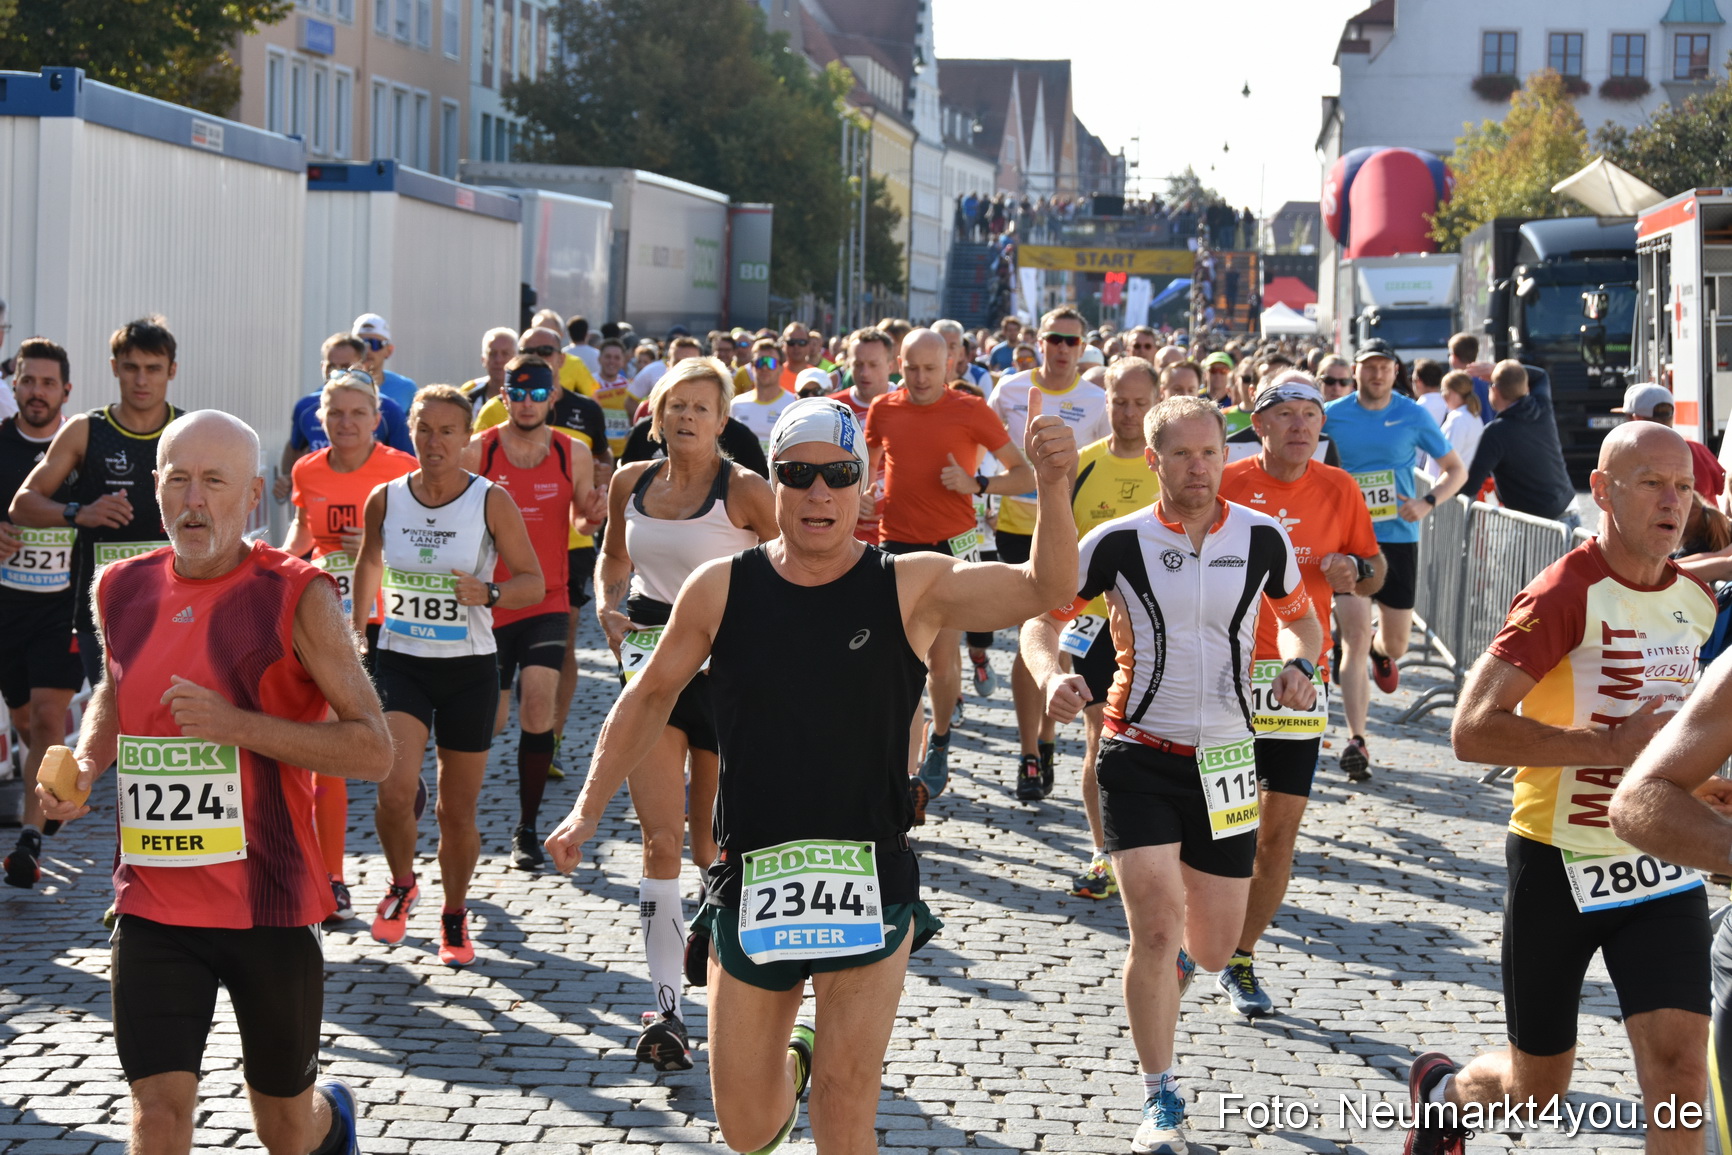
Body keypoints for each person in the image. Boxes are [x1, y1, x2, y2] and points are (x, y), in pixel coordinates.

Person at [546, 391, 1079, 1155]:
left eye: (838, 474)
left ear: (864, 484)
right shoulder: (723, 586)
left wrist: (1054, 486)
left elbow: (1043, 588)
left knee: (844, 1106)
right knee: (746, 1125)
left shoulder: (910, 583)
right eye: (798, 475)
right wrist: (588, 810)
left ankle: (818, 1069)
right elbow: (649, 694)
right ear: (776, 482)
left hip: (868, 868)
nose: (819, 493)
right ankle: (795, 1058)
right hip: (753, 871)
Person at [36, 409, 392, 1155]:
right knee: (158, 1117)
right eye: (177, 479)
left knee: (286, 1129)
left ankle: (334, 1120)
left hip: (269, 903)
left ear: (254, 495)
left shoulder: (298, 595)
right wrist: (86, 762)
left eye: (214, 481)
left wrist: (239, 726)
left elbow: (373, 749)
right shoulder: (120, 587)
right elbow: (114, 685)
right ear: (157, 489)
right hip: (154, 903)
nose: (193, 501)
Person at [1022, 395, 1322, 1155]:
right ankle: (1160, 1098)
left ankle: (1188, 972)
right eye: (1182, 454)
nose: (1199, 468)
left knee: (1213, 946)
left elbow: (1302, 616)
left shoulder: (1261, 538)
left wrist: (1298, 661)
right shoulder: (1117, 540)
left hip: (1226, 756)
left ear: (1226, 455)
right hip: (1137, 750)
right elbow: (1042, 614)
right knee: (1154, 928)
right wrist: (1051, 670)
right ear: (1152, 460)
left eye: (1210, 453)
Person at [1411, 421, 1714, 1155]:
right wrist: (1602, 747)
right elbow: (1471, 730)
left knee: (1678, 1076)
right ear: (1603, 492)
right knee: (1537, 1087)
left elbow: (1682, 740)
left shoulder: (1697, 604)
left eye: (1684, 487)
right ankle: (1445, 1096)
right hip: (1557, 862)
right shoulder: (1562, 593)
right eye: (1652, 484)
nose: (1672, 502)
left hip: (1660, 865)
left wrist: (1705, 789)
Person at [593, 356, 777, 1072]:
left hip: (728, 672)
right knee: (660, 841)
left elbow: (792, 563)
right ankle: (667, 1010)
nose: (687, 417)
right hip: (651, 666)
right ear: (656, 414)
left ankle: (721, 948)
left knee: (714, 847)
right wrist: (608, 606)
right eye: (676, 405)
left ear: (723, 420)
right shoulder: (628, 483)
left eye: (702, 407)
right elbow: (613, 559)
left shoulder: (748, 490)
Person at [350, 385, 545, 966]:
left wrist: (489, 591)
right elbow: (367, 562)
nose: (434, 442)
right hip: (402, 662)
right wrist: (355, 632)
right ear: (408, 431)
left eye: (447, 431)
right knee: (393, 791)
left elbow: (532, 581)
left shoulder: (491, 501)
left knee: (455, 813)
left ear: (467, 439)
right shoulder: (384, 498)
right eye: (424, 430)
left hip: (469, 670)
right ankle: (402, 882)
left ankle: (454, 911)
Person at [1216, 377, 1384, 1017]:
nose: (1299, 425)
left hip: (1296, 674)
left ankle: (1240, 956)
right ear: (1258, 424)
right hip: (1220, 672)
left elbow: (1374, 568)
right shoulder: (1225, 479)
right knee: (1215, 818)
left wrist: (1355, 572)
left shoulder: (1339, 487)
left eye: (1310, 415)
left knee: (1277, 832)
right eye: (1284, 414)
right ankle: (1191, 926)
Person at [868, 329, 1035, 816]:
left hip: (949, 549)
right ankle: (901, 759)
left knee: (940, 661)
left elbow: (1022, 475)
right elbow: (870, 463)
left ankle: (939, 738)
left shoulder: (970, 410)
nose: (920, 379)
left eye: (930, 369)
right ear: (899, 364)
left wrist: (976, 482)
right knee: (897, 662)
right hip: (894, 544)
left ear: (950, 367)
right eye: (911, 368)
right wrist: (862, 491)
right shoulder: (884, 408)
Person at [281, 369, 417, 921]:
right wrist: (282, 565)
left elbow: (429, 541)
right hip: (330, 621)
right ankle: (333, 879)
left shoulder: (400, 470)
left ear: (376, 417)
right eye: (335, 413)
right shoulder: (308, 469)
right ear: (321, 419)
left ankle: (404, 781)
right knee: (329, 749)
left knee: (389, 747)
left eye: (357, 413)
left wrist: (378, 545)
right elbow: (302, 534)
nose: (346, 423)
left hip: (397, 620)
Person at [464, 357, 603, 870]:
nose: (526, 401)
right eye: (516, 392)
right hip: (487, 604)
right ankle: (461, 812)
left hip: (546, 597)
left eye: (536, 392)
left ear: (552, 397)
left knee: (537, 708)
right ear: (504, 397)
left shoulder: (574, 451)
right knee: (494, 718)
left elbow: (582, 525)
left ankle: (527, 827)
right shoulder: (480, 450)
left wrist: (594, 514)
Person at [10, 317, 185, 689]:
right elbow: (22, 504)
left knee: (169, 724)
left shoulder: (187, 431)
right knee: (120, 726)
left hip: (177, 607)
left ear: (171, 371)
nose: (141, 380)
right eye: (131, 368)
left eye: (153, 369)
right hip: (105, 613)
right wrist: (79, 513)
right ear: (114, 368)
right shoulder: (87, 429)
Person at [1324, 336, 1466, 781]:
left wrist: (1426, 502)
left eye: (1385, 367)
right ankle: (1357, 739)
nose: (1377, 374)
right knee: (1353, 639)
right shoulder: (1333, 416)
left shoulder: (1413, 414)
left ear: (1395, 372)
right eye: (1369, 366)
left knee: (1396, 643)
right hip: (1347, 540)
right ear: (1356, 370)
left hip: (1397, 538)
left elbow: (1455, 470)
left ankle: (1383, 654)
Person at [988, 306, 1110, 800]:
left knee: (1057, 634)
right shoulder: (1010, 389)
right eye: (1054, 339)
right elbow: (987, 449)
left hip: (1069, 528)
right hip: (1016, 525)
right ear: (1038, 342)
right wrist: (984, 491)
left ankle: (1048, 735)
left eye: (1071, 342)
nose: (1062, 348)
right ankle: (1030, 750)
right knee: (1032, 631)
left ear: (1083, 349)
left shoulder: (1096, 399)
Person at [1060, 356, 1160, 901]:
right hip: (1095, 623)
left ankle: (1160, 847)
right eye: (1119, 402)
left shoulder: (1169, 463)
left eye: (1139, 404)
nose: (1127, 413)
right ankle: (1102, 853)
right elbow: (1057, 541)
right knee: (1102, 735)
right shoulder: (1084, 463)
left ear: (1156, 404)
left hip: (1160, 625)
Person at [0, 339, 83, 888]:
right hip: (9, 610)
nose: (37, 392)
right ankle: (48, 792)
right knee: (27, 724)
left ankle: (28, 842)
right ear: (14, 385)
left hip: (65, 609)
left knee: (51, 720)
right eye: (28, 381)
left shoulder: (82, 450)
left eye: (48, 383)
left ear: (66, 391)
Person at [275, 333, 414, 503]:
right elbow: (295, 447)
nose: (338, 373)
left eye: (346, 366)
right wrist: (287, 478)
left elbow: (407, 468)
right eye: (331, 366)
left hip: (371, 503)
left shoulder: (389, 408)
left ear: (364, 366)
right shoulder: (305, 407)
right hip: (322, 500)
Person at [1461, 360, 1578, 525]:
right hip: (1568, 514)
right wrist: (1497, 370)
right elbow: (1541, 375)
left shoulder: (1495, 432)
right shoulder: (1542, 408)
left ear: (1494, 390)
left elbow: (1470, 485)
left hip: (1537, 526)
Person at [1615, 381, 1727, 500]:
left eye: (1626, 417)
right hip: (1705, 519)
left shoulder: (1629, 457)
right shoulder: (1698, 450)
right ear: (1671, 415)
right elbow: (1723, 486)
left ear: (1635, 418)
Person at [731, 337, 797, 456]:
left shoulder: (793, 404)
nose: (765, 368)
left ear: (781, 368)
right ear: (752, 367)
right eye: (760, 362)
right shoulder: (736, 405)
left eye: (771, 363)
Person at [352, 312, 417, 413]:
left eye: (375, 344)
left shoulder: (406, 388)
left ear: (389, 350)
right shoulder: (337, 387)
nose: (367, 350)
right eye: (360, 344)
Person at [1429, 370, 1484, 482]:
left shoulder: (1458, 419)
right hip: (1458, 484)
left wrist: (1436, 492)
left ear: (1451, 392)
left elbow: (1448, 462)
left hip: (1448, 489)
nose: (1442, 395)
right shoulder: (1474, 417)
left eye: (1443, 390)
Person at [459, 326, 521, 407]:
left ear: (517, 358)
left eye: (505, 353)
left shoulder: (527, 395)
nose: (498, 360)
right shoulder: (469, 392)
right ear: (483, 359)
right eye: (492, 353)